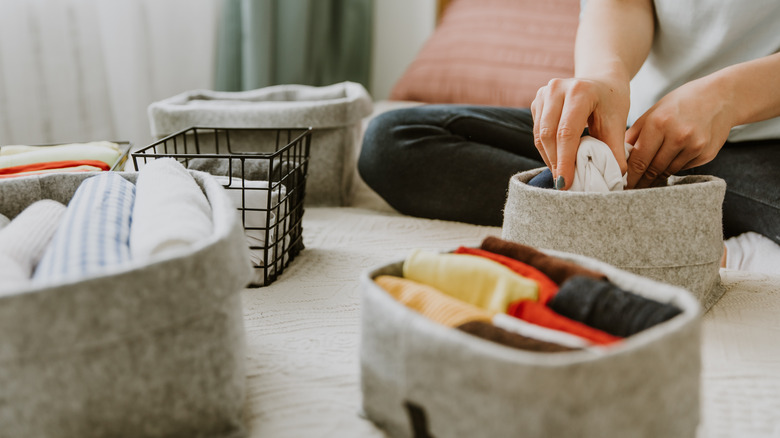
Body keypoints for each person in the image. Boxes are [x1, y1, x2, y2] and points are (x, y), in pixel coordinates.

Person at [358, 0, 780, 274]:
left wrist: (729, 96)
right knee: (394, 141)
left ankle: (627, 230)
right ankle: (683, 241)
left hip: (766, 142)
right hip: (633, 133)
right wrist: (603, 76)